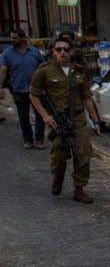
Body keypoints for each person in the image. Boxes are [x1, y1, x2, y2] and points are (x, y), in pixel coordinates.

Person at [27, 38, 101, 203]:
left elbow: (86, 97)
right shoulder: (45, 71)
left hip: (78, 119)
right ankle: (58, 175)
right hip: (57, 120)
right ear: (53, 51)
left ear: (71, 51)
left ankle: (79, 189)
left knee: (83, 154)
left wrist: (95, 120)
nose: (63, 52)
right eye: (59, 49)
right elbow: (33, 94)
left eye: (66, 49)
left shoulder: (79, 72)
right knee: (59, 156)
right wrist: (45, 115)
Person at [0, 29, 47, 149]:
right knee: (23, 116)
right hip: (19, 90)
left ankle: (40, 139)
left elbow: (43, 67)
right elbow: (3, 70)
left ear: (23, 38)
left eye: (15, 38)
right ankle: (28, 140)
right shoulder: (7, 53)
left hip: (36, 90)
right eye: (11, 38)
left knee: (40, 115)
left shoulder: (34, 52)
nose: (12, 40)